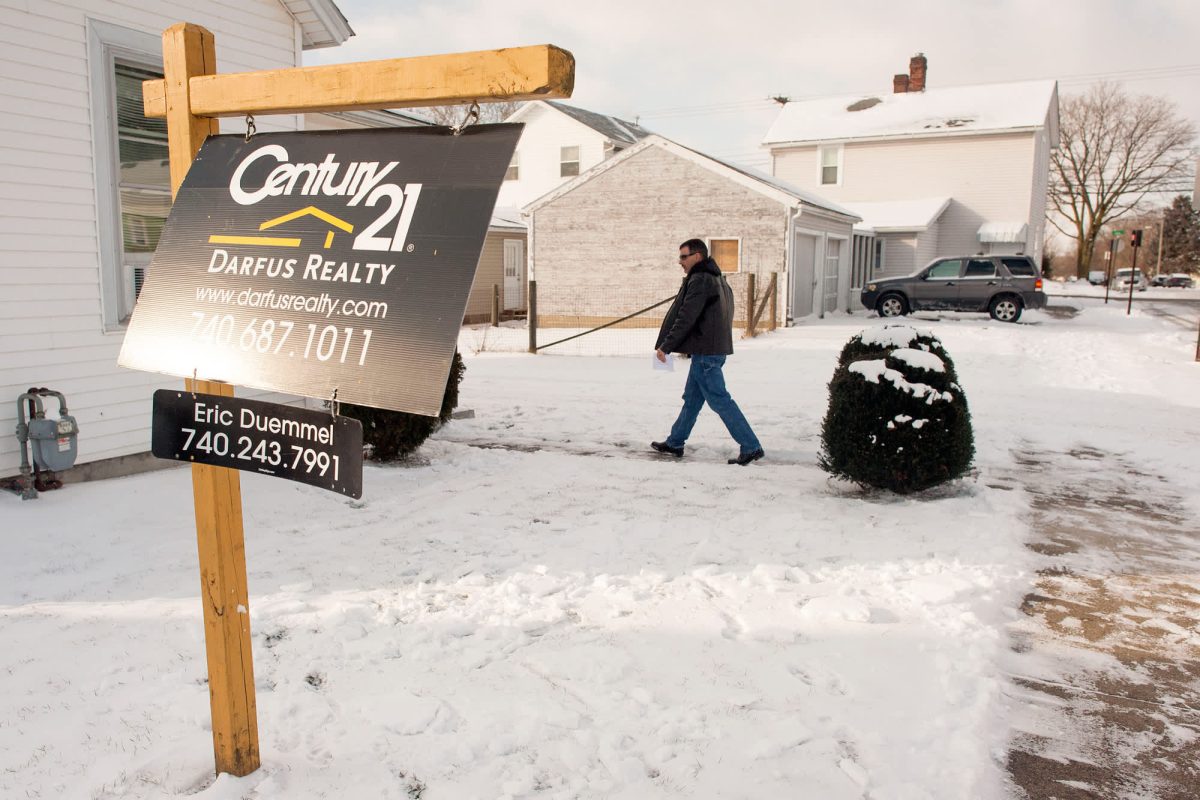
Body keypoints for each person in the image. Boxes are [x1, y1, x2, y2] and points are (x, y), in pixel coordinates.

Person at [652, 239, 764, 465]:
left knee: (720, 400)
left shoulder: (700, 280)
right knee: (692, 400)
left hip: (706, 353)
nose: (680, 261)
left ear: (697, 256)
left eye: (684, 257)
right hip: (711, 350)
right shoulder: (717, 278)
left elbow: (686, 317)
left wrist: (666, 345)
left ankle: (751, 446)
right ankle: (675, 442)